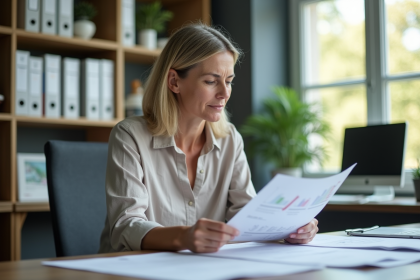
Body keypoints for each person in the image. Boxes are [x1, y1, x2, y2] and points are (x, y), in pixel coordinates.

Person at [99, 23, 318, 254]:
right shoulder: (130, 136)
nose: (224, 93)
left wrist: (290, 228)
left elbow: (247, 215)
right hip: (131, 270)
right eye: (211, 81)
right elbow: (126, 226)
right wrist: (185, 236)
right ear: (174, 81)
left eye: (229, 80)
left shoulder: (230, 139)